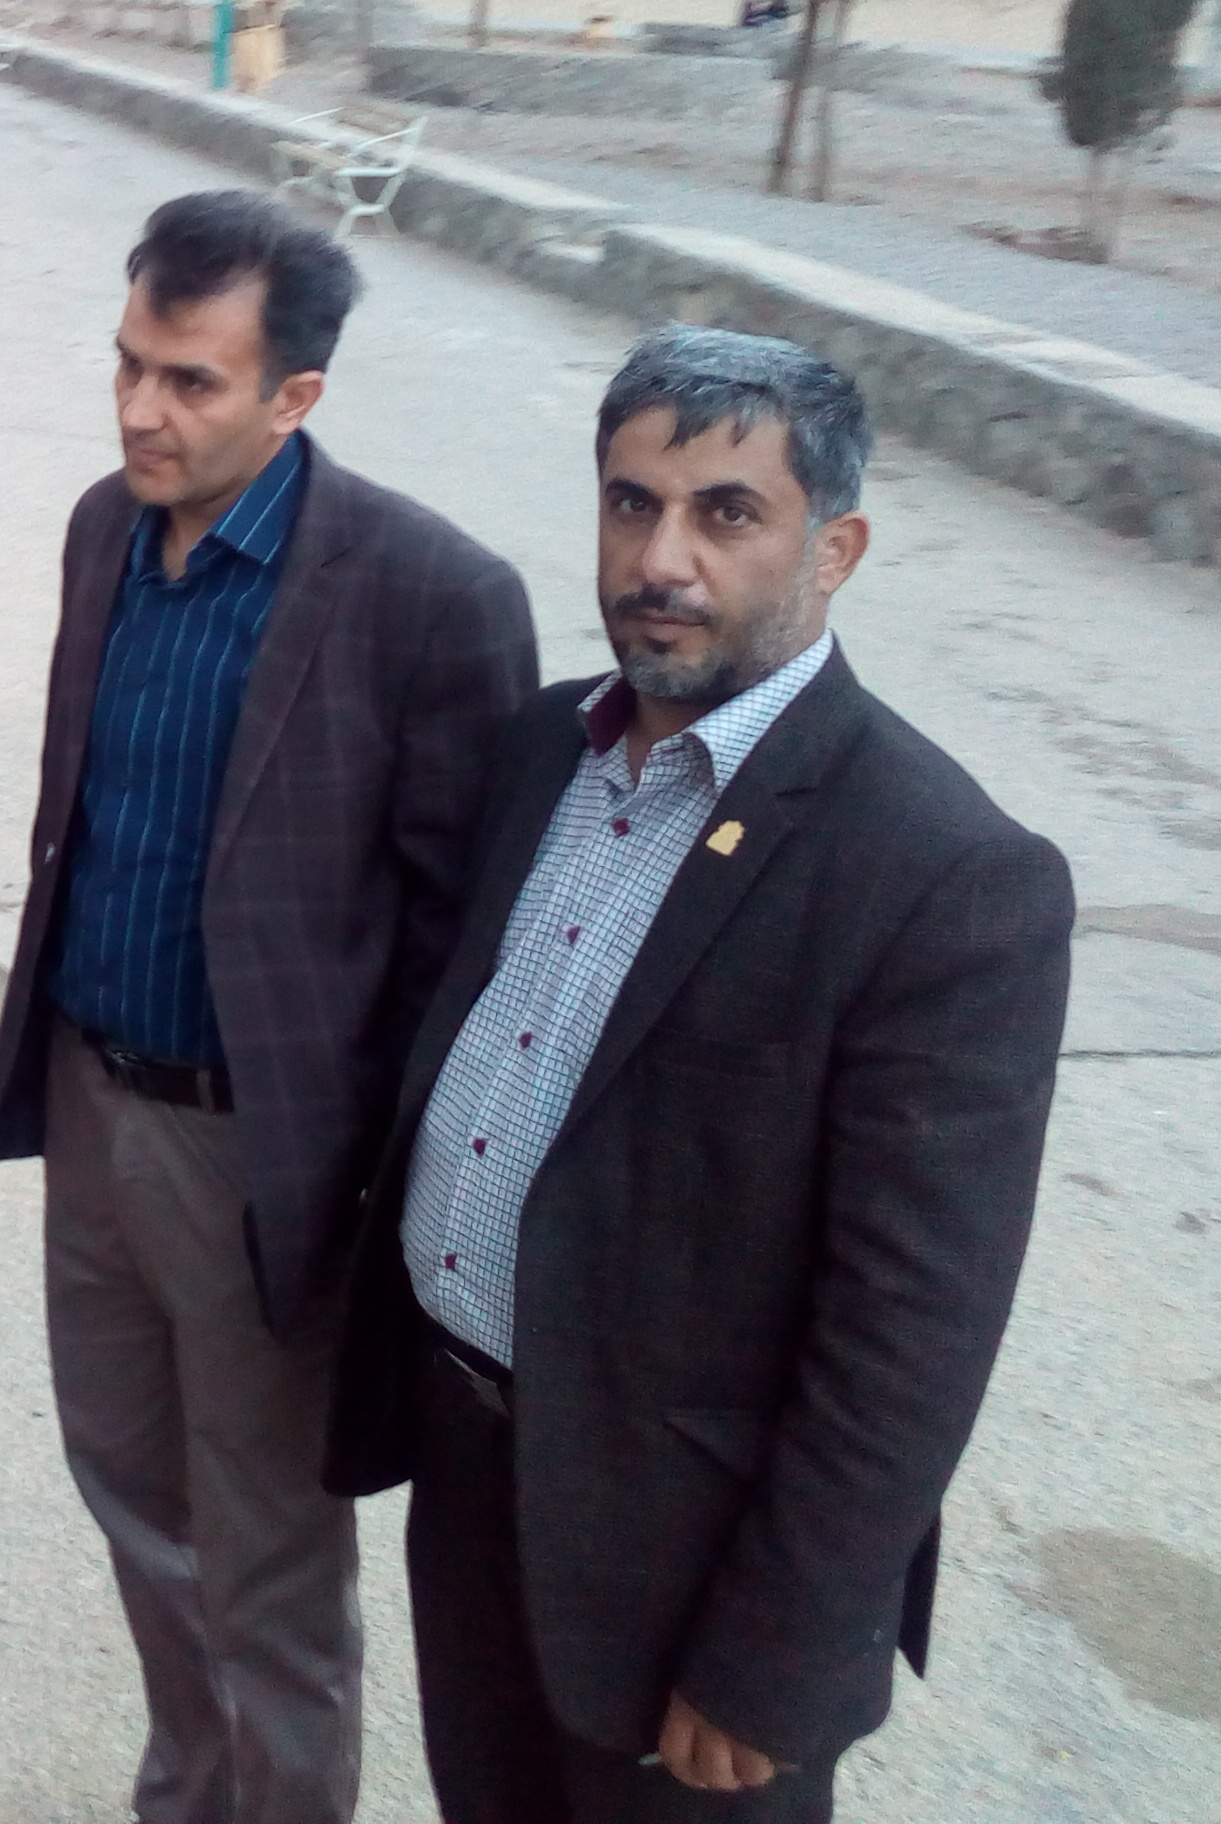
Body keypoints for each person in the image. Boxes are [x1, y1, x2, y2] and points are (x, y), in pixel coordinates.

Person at [328, 326, 1076, 1823]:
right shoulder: (545, 748)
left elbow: (912, 1336)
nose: (661, 560)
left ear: (835, 548)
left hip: (683, 1564)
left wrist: (777, 1654)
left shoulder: (943, 876)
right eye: (632, 503)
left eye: (728, 513)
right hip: (477, 1474)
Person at [0, 190, 538, 1824]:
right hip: (93, 1109)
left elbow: (457, 944)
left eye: (189, 381)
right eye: (126, 363)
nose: (139, 410)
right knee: (131, 1496)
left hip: (259, 1163)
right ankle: (188, 1793)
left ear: (294, 396)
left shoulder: (426, 594)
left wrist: (356, 1194)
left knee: (268, 1561)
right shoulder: (104, 527)